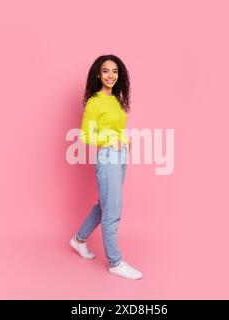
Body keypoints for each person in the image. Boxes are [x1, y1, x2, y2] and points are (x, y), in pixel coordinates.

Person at [69, 54, 143, 280]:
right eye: (105, 71)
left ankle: (79, 239)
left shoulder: (115, 100)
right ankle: (115, 262)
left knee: (105, 204)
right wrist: (110, 140)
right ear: (98, 75)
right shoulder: (95, 101)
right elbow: (85, 136)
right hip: (109, 156)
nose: (111, 75)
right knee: (113, 210)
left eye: (115, 71)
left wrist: (125, 141)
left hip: (120, 157)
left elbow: (116, 127)